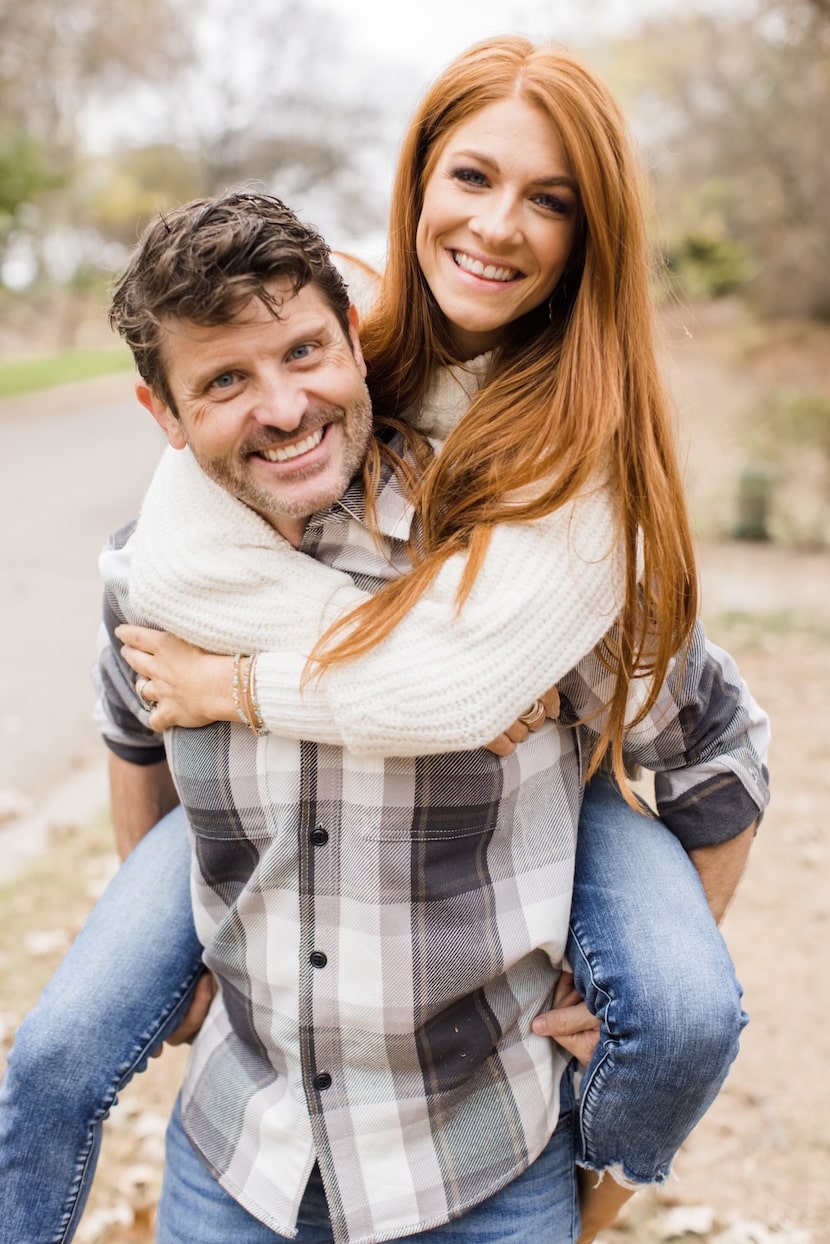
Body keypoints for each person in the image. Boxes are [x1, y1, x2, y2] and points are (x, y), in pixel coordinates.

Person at [0, 37, 768, 1244]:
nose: (500, 225)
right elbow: (133, 716)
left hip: (469, 1153)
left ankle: (593, 1205)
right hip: (247, 1152)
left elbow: (709, 743)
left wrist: (459, 680)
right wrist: (189, 910)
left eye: (549, 199)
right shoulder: (232, 480)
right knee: (52, 1055)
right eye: (471, 177)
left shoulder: (554, 494)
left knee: (680, 1010)